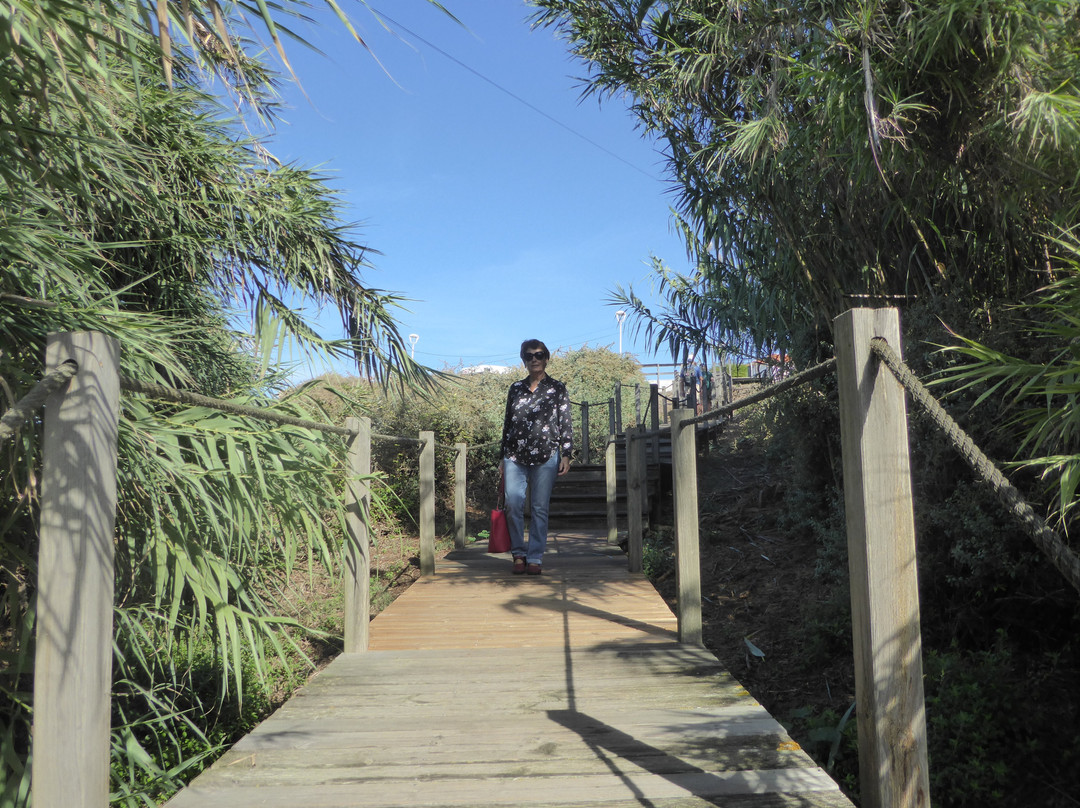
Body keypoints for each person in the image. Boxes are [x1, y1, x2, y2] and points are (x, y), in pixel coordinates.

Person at [499, 339, 572, 576]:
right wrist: (502, 457)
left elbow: (565, 422)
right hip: (514, 455)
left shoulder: (557, 388)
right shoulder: (515, 389)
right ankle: (518, 554)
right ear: (523, 360)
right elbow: (507, 424)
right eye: (529, 356)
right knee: (513, 504)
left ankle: (535, 557)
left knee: (540, 508)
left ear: (546, 358)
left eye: (539, 355)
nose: (534, 360)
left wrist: (567, 454)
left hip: (546, 455)